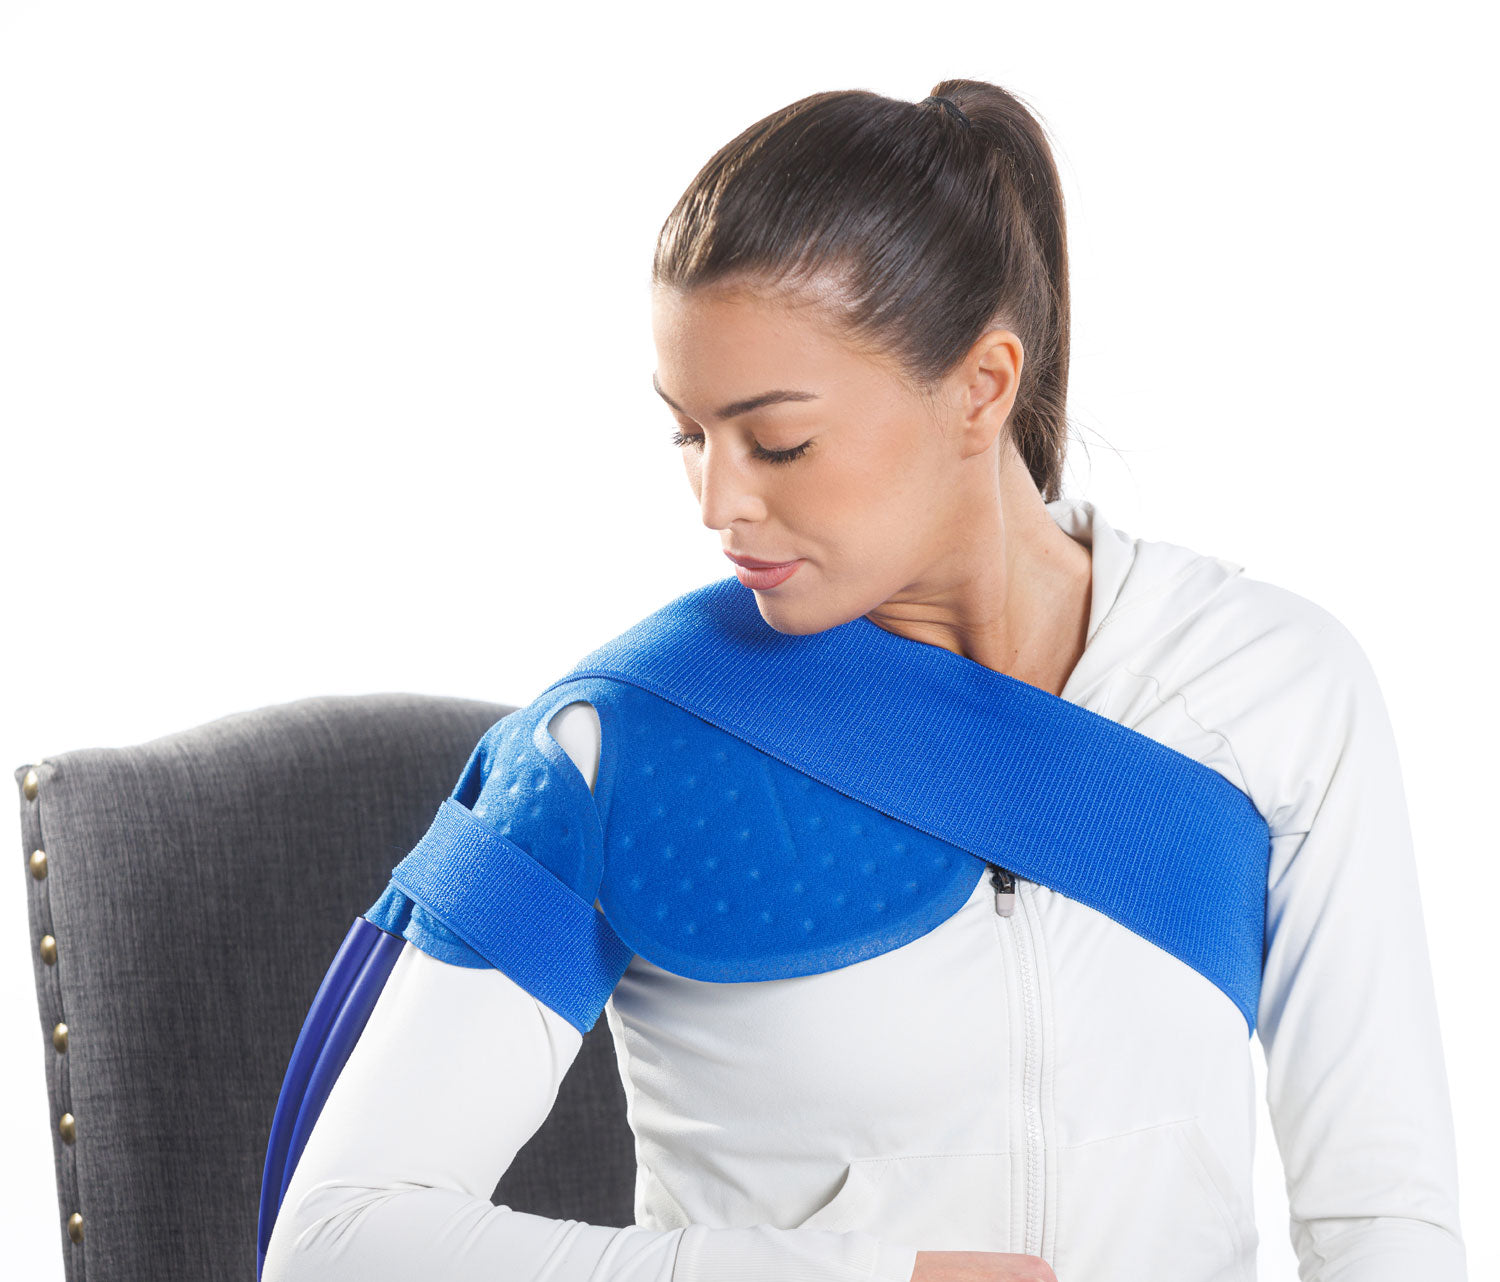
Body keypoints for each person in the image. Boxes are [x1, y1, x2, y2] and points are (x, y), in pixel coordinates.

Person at [258, 82, 1467, 1282]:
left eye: (777, 441)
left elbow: (1385, 1226)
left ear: (984, 386)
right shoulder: (620, 740)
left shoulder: (1276, 689)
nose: (720, 502)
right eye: (689, 432)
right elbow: (338, 1243)